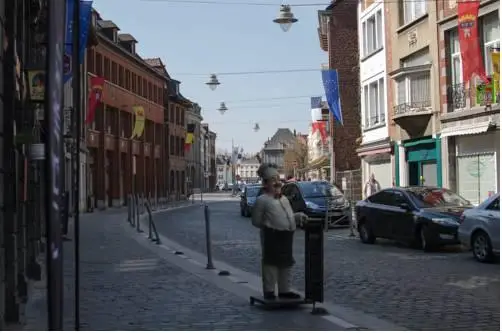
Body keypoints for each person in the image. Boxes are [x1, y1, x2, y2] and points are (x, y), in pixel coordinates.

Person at [252, 164, 308, 301]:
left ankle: (284, 290)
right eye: (273, 180)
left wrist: (297, 217)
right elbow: (256, 221)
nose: (277, 182)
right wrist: (269, 225)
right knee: (271, 264)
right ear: (265, 183)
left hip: (286, 236)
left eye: (278, 179)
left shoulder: (284, 199)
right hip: (272, 235)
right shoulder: (262, 201)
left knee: (286, 263)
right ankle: (269, 290)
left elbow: (288, 216)